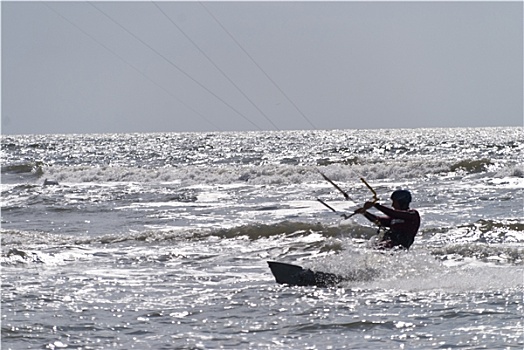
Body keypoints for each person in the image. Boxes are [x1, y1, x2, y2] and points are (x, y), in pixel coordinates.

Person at [354, 190, 420, 249]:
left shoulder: (412, 214)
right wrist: (365, 213)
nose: (392, 205)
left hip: (398, 247)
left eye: (394, 202)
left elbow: (393, 213)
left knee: (379, 247)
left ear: (401, 202)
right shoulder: (394, 218)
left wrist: (376, 205)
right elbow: (379, 220)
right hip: (388, 245)